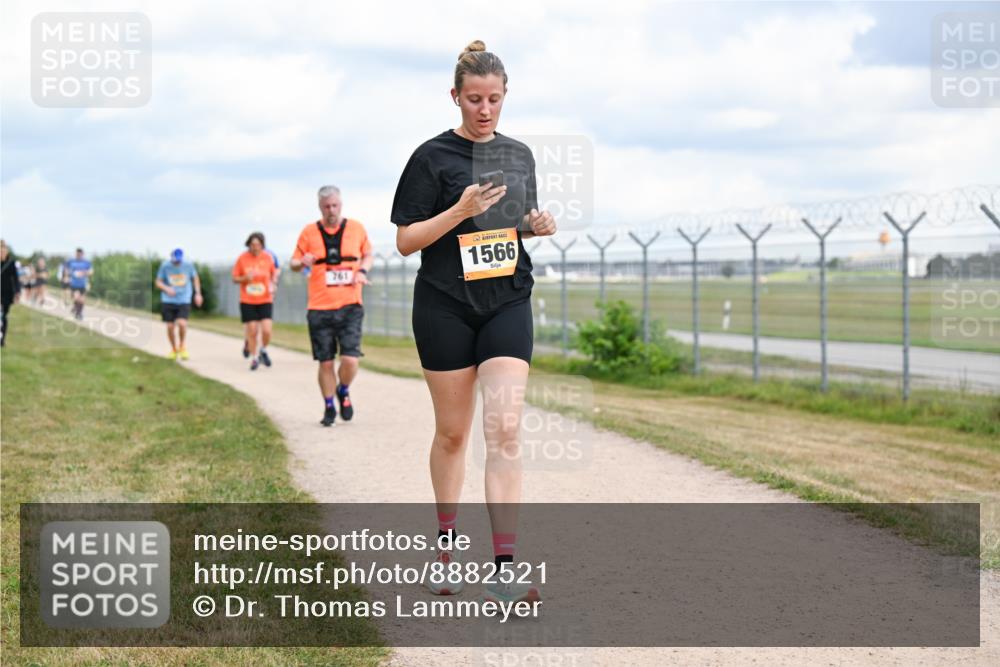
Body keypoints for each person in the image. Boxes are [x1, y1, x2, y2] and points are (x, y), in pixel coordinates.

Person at [391, 40, 556, 604]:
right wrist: (458, 210)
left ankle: (505, 566)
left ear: (505, 97)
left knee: (505, 429)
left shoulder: (519, 155)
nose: (485, 110)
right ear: (455, 97)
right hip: (444, 304)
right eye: (474, 100)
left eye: (494, 100)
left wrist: (538, 223)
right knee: (454, 432)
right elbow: (406, 242)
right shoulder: (430, 157)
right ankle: (445, 549)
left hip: (507, 299)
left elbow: (513, 227)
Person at [290, 186, 373, 426]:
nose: (331, 210)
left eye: (335, 205)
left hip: (350, 305)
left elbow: (368, 254)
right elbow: (294, 262)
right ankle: (329, 407)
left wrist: (362, 271)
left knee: (350, 360)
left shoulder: (356, 228)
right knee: (325, 361)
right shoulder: (308, 232)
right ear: (320, 207)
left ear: (341, 204)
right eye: (327, 206)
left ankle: (343, 390)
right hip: (319, 307)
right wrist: (301, 262)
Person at [232, 232, 277, 371]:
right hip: (248, 300)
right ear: (248, 245)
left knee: (266, 330)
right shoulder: (242, 258)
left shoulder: (268, 258)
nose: (255, 247)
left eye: (258, 244)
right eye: (252, 245)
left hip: (265, 299)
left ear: (262, 245)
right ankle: (255, 357)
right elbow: (234, 278)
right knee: (252, 330)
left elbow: (273, 276)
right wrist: (245, 278)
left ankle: (263, 349)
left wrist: (273, 285)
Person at [154, 248, 203, 360]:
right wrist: (166, 288)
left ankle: (182, 346)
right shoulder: (165, 266)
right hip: (168, 299)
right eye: (175, 261)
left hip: (184, 299)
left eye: (179, 261)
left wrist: (198, 294)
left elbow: (195, 278)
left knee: (182, 323)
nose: (177, 263)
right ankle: (174, 349)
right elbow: (158, 282)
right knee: (170, 326)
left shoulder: (188, 264)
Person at [243, 246, 283, 359]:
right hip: (250, 295)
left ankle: (261, 349)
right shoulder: (247, 255)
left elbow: (276, 271)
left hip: (265, 294)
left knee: (264, 324)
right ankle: (249, 341)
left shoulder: (270, 255)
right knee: (251, 324)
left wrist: (274, 284)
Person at [1, 240, 21, 347]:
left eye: (4, 251)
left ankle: (2, 339)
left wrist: (17, 292)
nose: (2, 253)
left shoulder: (11, 263)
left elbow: (16, 279)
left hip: (7, 294)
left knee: (4, 316)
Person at [64, 248, 93, 320]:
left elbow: (91, 272)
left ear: (82, 254)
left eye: (80, 254)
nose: (78, 255)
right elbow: (66, 269)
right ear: (76, 254)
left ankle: (79, 313)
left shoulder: (86, 262)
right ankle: (77, 311)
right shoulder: (71, 261)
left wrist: (84, 273)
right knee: (76, 298)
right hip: (74, 283)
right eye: (77, 254)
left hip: (83, 284)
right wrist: (66, 276)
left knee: (82, 300)